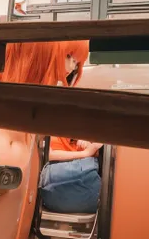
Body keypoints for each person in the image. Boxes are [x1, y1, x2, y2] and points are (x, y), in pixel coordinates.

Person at [0, 40, 90, 239]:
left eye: (76, 62)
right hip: (7, 168)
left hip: (2, 166)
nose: (72, 66)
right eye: (69, 58)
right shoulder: (35, 93)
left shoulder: (13, 91)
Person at [39, 45, 102, 215]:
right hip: (62, 169)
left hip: (78, 168)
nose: (73, 67)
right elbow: (48, 154)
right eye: (72, 60)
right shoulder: (49, 109)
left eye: (77, 63)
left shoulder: (73, 109)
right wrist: (85, 153)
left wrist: (90, 144)